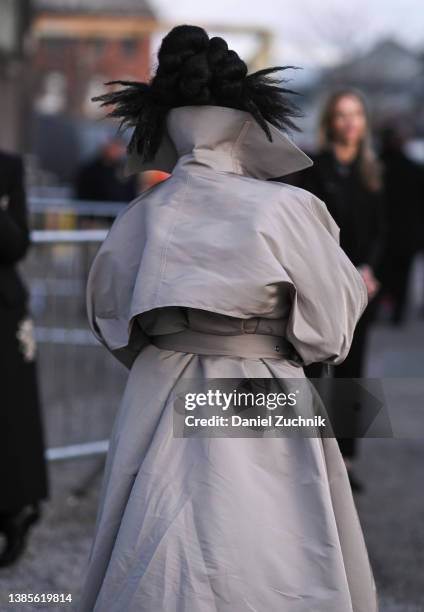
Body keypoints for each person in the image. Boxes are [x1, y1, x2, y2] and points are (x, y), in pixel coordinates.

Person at [77, 26, 377, 612]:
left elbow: (107, 318)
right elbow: (333, 324)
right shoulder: (289, 211)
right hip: (261, 387)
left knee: (158, 550)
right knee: (274, 550)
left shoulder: (142, 215)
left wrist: (173, 345)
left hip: (158, 390)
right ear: (251, 118)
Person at [288, 89, 387, 491]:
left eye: (356, 114)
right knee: (311, 366)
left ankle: (343, 461)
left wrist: (372, 272)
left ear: (364, 122)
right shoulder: (315, 168)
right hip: (321, 282)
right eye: (342, 115)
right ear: (331, 121)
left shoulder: (373, 171)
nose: (349, 122)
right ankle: (305, 454)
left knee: (352, 371)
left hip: (359, 288)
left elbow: (382, 230)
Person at [0, 151, 49, 567]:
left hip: (3, 312)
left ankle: (15, 510)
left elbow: (17, 244)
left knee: (12, 415)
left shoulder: (7, 167)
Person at [379, 124, 423, 324]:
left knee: (382, 271)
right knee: (402, 276)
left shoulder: (376, 167)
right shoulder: (414, 169)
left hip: (384, 232)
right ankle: (397, 313)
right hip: (406, 232)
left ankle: (378, 310)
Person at [75, 137, 139, 225]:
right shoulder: (90, 170)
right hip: (94, 220)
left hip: (119, 220)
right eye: (114, 146)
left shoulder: (126, 170)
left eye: (119, 147)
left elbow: (132, 193)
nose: (116, 150)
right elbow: (82, 192)